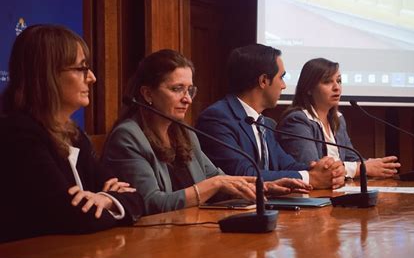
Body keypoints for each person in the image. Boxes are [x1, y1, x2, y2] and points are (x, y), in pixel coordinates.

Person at [101, 49, 311, 215]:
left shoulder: (184, 134)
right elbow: (150, 204)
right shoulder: (128, 137)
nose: (187, 99)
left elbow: (220, 179)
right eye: (177, 89)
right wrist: (215, 184)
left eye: (190, 90)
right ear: (147, 93)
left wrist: (267, 186)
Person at [0, 24, 144, 243]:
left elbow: (135, 196)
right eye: (81, 69)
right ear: (47, 73)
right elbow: (74, 217)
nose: (92, 78)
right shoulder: (18, 134)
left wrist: (104, 200)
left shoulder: (71, 132)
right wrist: (109, 201)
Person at [195, 44, 345, 189]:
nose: (284, 85)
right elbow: (243, 174)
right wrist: (310, 177)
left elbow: (287, 165)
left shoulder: (265, 123)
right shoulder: (217, 118)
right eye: (281, 77)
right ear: (264, 81)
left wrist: (325, 170)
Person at [277, 58, 401, 178]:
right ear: (309, 89)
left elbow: (352, 158)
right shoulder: (297, 121)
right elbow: (313, 168)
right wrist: (362, 168)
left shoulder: (337, 120)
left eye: (339, 81)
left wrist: (375, 166)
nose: (337, 87)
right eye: (327, 82)